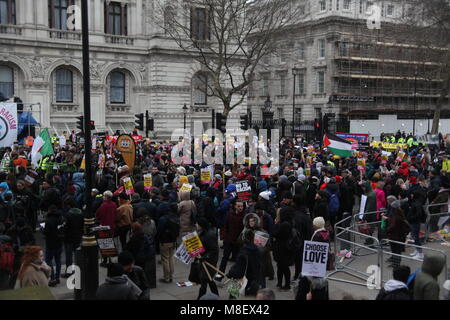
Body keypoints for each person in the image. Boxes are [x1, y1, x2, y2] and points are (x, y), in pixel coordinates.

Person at [216, 200, 245, 281]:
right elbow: (225, 226)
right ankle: (220, 274)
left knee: (238, 260)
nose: (240, 208)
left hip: (238, 242)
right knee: (225, 258)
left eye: (241, 206)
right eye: (238, 206)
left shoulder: (245, 216)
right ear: (235, 206)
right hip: (229, 240)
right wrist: (224, 237)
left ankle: (234, 275)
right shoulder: (229, 214)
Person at [227, 229, 261, 298]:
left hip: (240, 280)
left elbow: (239, 271)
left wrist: (230, 273)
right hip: (254, 280)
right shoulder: (257, 250)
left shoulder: (243, 252)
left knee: (232, 296)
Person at [194, 218, 219, 300]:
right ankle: (216, 296)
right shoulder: (202, 233)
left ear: (201, 225)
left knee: (205, 281)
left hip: (209, 261)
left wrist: (205, 257)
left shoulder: (209, 235)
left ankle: (200, 298)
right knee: (210, 280)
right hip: (204, 260)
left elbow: (214, 250)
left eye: (197, 224)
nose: (196, 225)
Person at [125, 222, 156, 289]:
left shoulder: (134, 238)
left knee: (136, 271)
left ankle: (139, 284)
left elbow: (128, 248)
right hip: (144, 257)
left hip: (137, 258)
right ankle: (143, 283)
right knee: (142, 270)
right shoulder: (144, 236)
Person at [272, 207, 297, 291]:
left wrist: (276, 224)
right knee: (281, 267)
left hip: (283, 249)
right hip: (283, 249)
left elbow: (276, 234)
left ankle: (286, 284)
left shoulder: (284, 224)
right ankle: (280, 283)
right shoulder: (288, 222)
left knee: (283, 267)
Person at [156, 203, 179, 283]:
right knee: (171, 257)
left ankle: (167, 277)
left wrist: (158, 238)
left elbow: (159, 231)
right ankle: (171, 276)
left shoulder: (163, 219)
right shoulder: (175, 217)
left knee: (165, 259)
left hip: (164, 241)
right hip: (173, 240)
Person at [43, 205, 64, 287]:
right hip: (58, 243)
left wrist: (43, 230)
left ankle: (52, 278)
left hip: (50, 243)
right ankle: (57, 277)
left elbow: (46, 232)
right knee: (58, 260)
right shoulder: (61, 219)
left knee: (49, 260)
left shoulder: (48, 220)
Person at [62, 198, 84, 278]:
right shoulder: (81, 213)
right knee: (77, 254)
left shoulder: (68, 215)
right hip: (78, 236)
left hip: (69, 237)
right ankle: (78, 269)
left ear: (69, 206)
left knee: (69, 256)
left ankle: (69, 271)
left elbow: (65, 227)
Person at [95, 191, 117, 267]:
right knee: (110, 243)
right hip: (112, 226)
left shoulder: (103, 206)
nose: (103, 197)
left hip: (104, 226)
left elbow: (97, 214)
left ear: (107, 197)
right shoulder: (114, 205)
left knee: (104, 244)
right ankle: (110, 260)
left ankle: (105, 260)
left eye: (104, 196)